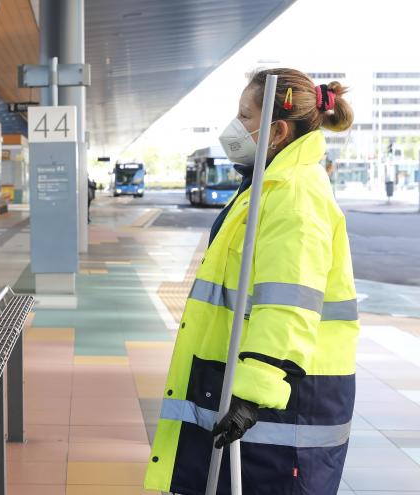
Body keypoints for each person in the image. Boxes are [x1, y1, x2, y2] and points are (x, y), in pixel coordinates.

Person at [144, 68, 359, 494]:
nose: (234, 126)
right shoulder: (268, 185)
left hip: (278, 399)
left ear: (277, 131)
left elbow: (290, 302)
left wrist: (254, 391)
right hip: (257, 388)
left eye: (245, 115)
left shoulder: (293, 195)